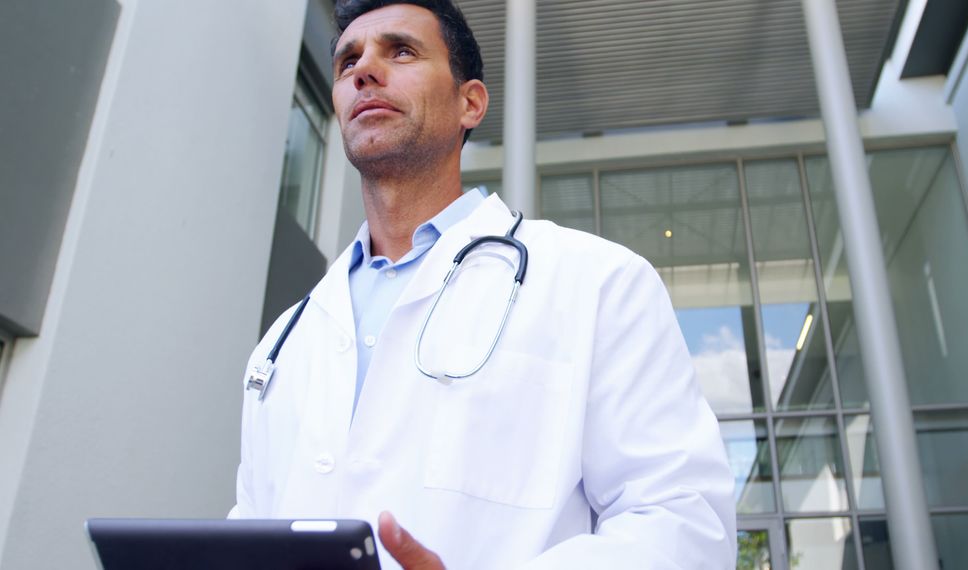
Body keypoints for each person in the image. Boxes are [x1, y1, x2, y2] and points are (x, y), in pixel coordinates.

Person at [229, 1, 736, 568]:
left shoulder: (597, 282)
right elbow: (252, 522)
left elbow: (684, 523)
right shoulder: (285, 339)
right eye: (349, 62)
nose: (364, 71)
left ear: (470, 103)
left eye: (400, 51)